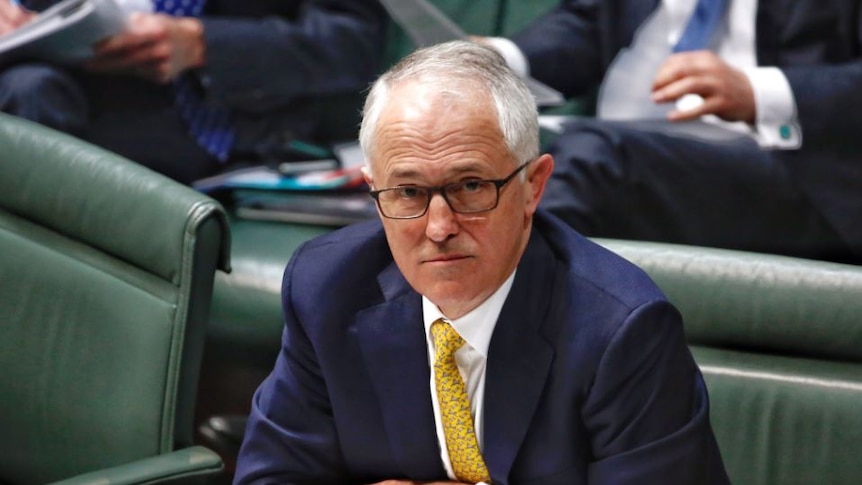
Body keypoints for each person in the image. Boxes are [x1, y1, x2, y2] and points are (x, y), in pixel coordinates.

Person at [233, 40, 728, 484]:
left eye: (470, 187)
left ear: (533, 185)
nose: (439, 226)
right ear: (372, 189)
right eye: (408, 192)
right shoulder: (327, 289)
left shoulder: (621, 330)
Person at [482, 0, 862, 263]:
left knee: (586, 161)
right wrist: (496, 62)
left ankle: (494, 343)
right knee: (471, 156)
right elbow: (591, 25)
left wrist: (760, 91)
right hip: (627, 144)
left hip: (792, 165)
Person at [0, 0, 388, 184]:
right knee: (30, 93)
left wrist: (205, 45)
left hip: (199, 114)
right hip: (39, 77)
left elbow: (353, 43)